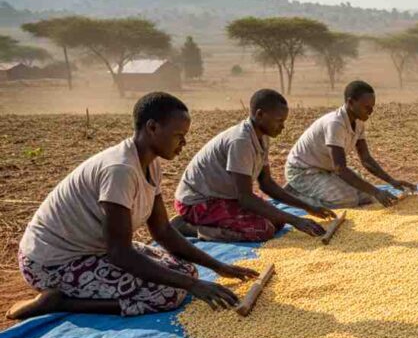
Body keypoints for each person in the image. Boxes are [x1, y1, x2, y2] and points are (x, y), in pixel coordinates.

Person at [7, 92, 258, 321]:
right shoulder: (120, 170)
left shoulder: (150, 163)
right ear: (152, 127)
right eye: (178, 136)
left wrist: (218, 266)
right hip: (53, 261)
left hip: (96, 248)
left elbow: (162, 231)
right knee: (168, 294)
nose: (183, 143)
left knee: (185, 271)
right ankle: (60, 302)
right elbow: (119, 253)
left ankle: (74, 295)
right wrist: (193, 287)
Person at [171, 89, 332, 242]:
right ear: (260, 115)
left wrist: (309, 207)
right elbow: (245, 198)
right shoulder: (241, 142)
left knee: (277, 221)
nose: (282, 127)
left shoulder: (262, 136)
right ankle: (189, 228)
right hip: (197, 202)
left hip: (223, 196)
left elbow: (266, 184)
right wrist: (296, 220)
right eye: (279, 121)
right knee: (262, 229)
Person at [283, 80, 416, 209]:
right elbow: (340, 169)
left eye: (372, 107)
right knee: (346, 200)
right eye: (367, 107)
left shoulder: (359, 122)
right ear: (351, 102)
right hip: (303, 170)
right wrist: (376, 191)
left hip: (326, 169)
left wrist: (392, 181)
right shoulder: (335, 124)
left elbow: (366, 159)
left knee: (366, 196)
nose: (371, 111)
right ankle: (293, 195)